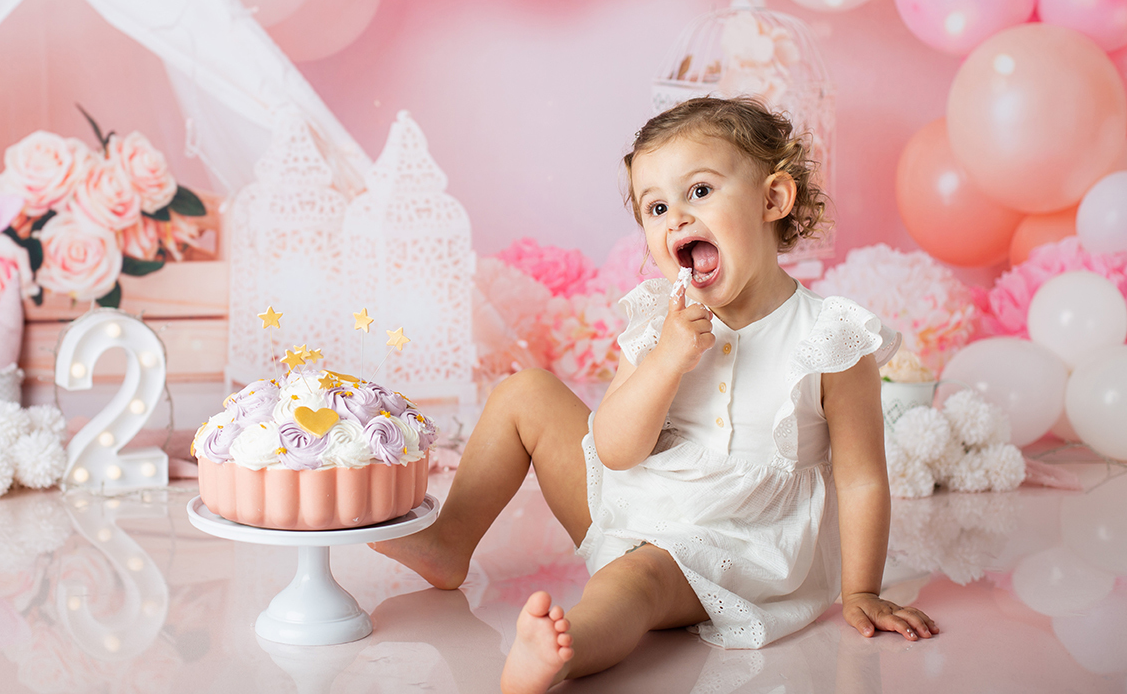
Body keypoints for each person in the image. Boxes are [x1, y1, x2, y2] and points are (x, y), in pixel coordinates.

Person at [373, 96, 938, 693]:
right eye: (657, 206)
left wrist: (862, 590)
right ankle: (448, 542)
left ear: (772, 200)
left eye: (699, 192)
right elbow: (614, 450)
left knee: (632, 579)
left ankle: (563, 653)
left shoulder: (828, 337)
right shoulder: (657, 321)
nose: (676, 218)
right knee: (524, 392)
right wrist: (667, 360)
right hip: (633, 495)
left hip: (730, 539)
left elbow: (861, 478)